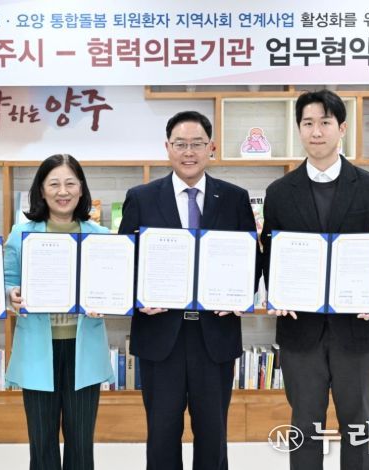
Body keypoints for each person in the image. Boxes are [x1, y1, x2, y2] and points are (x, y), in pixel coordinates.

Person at [261, 89, 369, 470]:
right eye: (308, 123)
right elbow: (270, 253)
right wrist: (276, 292)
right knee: (304, 426)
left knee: (358, 425)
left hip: (358, 330)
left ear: (341, 128)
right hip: (300, 331)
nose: (316, 131)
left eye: (325, 122)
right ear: (299, 129)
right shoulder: (279, 192)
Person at [118, 111, 258, 470]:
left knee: (213, 434)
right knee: (161, 434)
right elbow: (123, 260)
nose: (189, 152)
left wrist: (241, 295)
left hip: (215, 335)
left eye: (197, 144)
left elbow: (251, 258)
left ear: (212, 148)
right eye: (180, 144)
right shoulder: (141, 197)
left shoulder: (234, 198)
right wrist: (136, 297)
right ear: (167, 147)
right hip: (159, 335)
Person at [5, 154, 114, 470]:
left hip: (84, 350)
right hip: (37, 351)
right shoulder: (20, 234)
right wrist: (11, 294)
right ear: (41, 190)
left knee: (81, 443)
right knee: (41, 442)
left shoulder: (101, 236)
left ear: (81, 189)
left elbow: (113, 287)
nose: (62, 191)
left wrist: (108, 300)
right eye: (54, 184)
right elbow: (6, 281)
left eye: (70, 183)